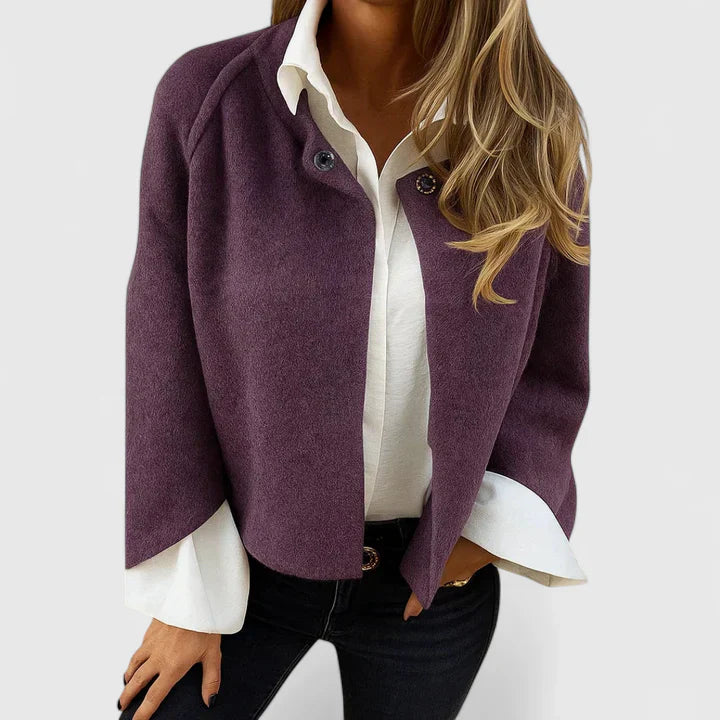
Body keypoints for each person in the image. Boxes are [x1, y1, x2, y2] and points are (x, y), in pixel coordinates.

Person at [119, 0, 591, 718]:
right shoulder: (210, 100)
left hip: (426, 587)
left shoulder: (527, 124)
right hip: (239, 566)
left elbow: (551, 363)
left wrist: (483, 531)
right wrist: (191, 595)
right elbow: (163, 355)